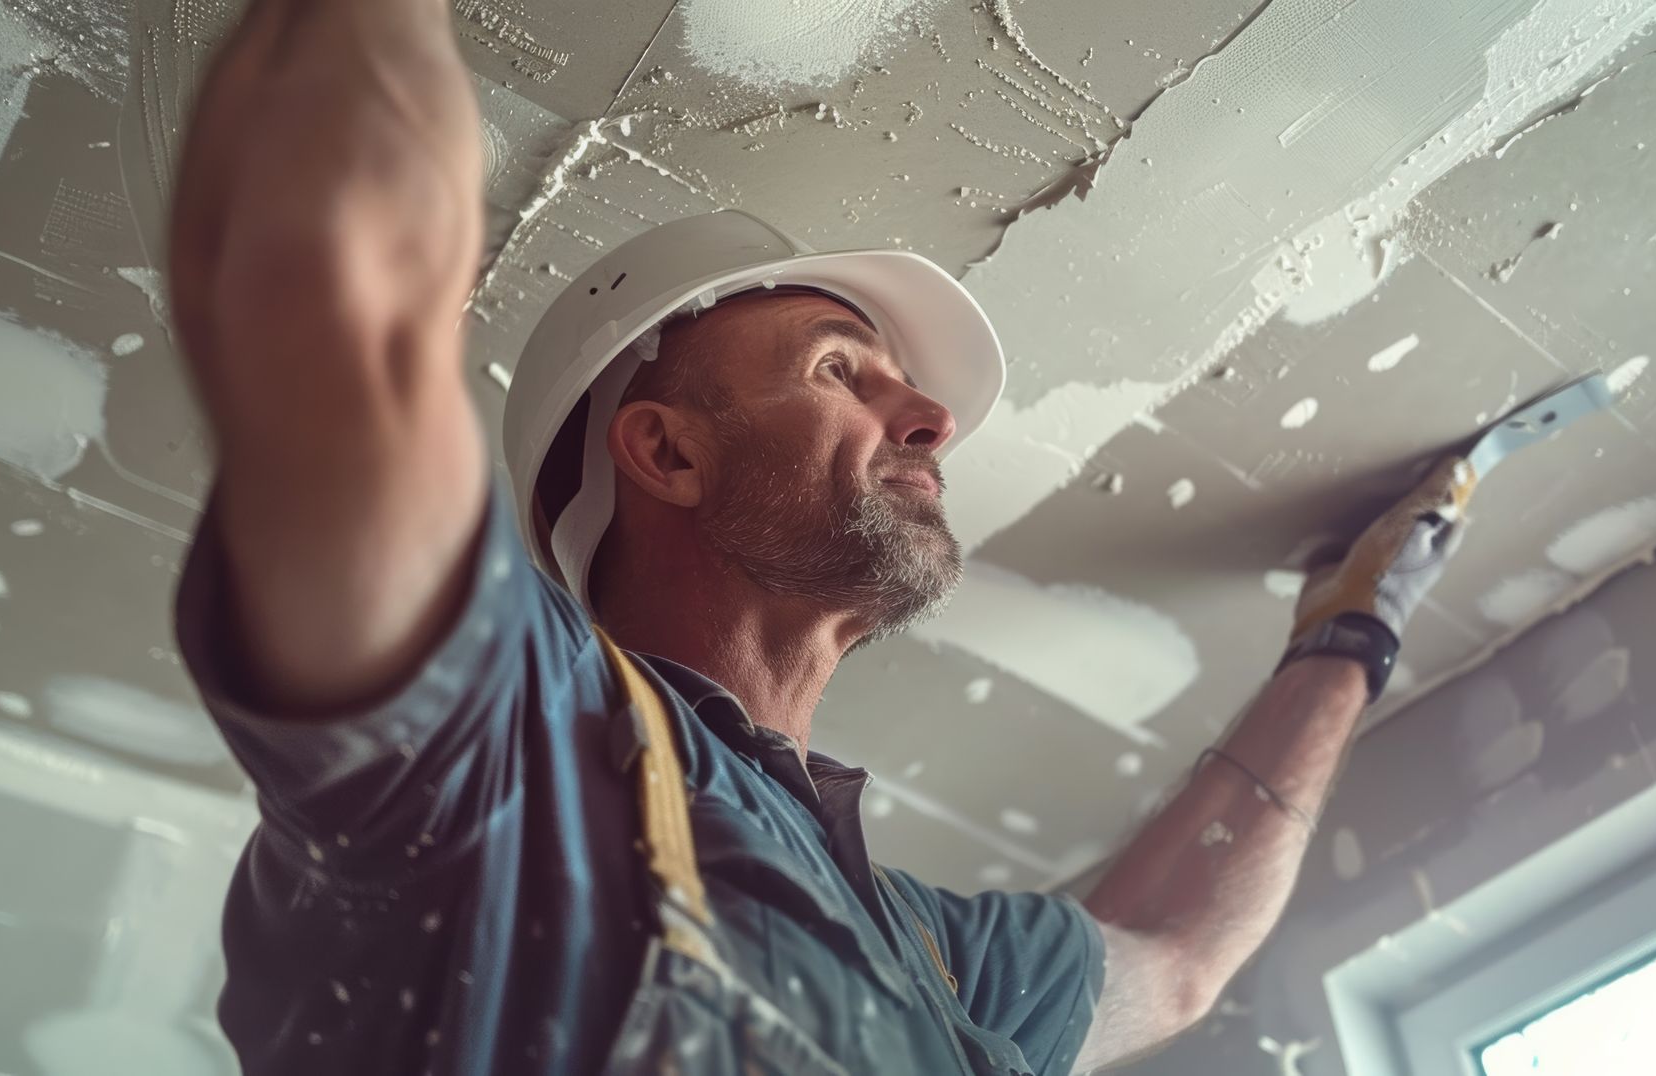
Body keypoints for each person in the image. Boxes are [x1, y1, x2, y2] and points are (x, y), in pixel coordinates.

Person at [165, 0, 1475, 1072]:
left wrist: (1354, 632)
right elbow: (328, 299)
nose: (930, 415)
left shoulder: (922, 953)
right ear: (667, 451)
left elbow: (1175, 958)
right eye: (843, 367)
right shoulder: (509, 765)